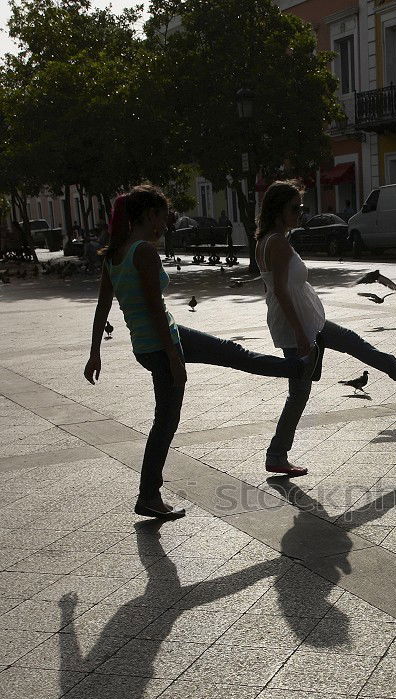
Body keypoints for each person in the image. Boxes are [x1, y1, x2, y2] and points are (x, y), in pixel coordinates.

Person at [85, 184, 305, 519]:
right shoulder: (142, 251)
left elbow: (103, 306)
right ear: (148, 215)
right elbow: (154, 309)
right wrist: (175, 358)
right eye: (162, 217)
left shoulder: (114, 253)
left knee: (233, 353)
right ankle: (148, 496)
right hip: (162, 345)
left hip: (152, 344)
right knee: (166, 420)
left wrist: (95, 352)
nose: (166, 224)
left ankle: (300, 369)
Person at [256, 181, 396, 477]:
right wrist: (298, 333)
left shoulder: (270, 239)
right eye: (295, 208)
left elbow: (279, 288)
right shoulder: (277, 243)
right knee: (299, 392)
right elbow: (280, 292)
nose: (300, 213)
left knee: (349, 340)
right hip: (297, 325)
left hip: (305, 322)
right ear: (278, 209)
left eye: (302, 207)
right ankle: (276, 454)